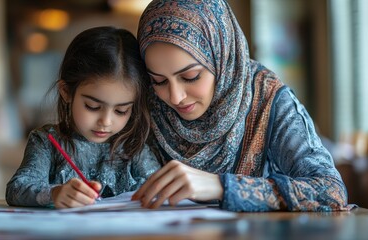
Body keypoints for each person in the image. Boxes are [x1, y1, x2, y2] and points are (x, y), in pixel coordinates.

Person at [131, 0, 350, 212]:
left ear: (222, 58)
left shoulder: (267, 97)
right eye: (159, 81)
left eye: (191, 76)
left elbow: (331, 191)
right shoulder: (146, 99)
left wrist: (222, 186)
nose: (175, 97)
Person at [6, 26, 161, 208]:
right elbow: (16, 189)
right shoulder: (46, 142)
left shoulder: (134, 146)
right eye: (93, 107)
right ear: (66, 92)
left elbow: (159, 189)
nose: (106, 121)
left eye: (121, 111)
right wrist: (54, 193)